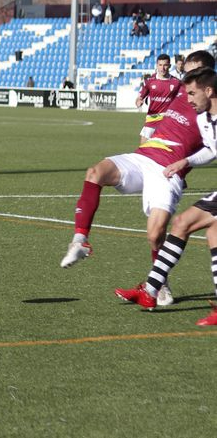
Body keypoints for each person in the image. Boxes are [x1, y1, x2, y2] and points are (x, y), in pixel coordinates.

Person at [60, 50, 216, 306]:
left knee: (155, 235)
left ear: (207, 77)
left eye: (192, 72)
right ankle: (80, 241)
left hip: (167, 170)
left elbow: (212, 148)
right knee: (95, 173)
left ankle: (159, 283)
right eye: (185, 71)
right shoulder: (182, 89)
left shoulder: (207, 107)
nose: (186, 77)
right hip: (143, 156)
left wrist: (185, 163)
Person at [114, 68, 217, 325]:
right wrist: (185, 161)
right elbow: (211, 150)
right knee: (187, 225)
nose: (187, 99)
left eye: (191, 93)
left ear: (209, 91)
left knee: (201, 229)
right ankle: (150, 291)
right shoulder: (205, 120)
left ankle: (150, 290)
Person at [135, 54, 181, 143]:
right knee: (143, 147)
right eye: (160, 65)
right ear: (157, 65)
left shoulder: (176, 83)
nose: (162, 68)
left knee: (165, 148)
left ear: (169, 66)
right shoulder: (150, 80)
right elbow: (139, 97)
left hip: (167, 120)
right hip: (152, 119)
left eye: (165, 65)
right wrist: (138, 102)